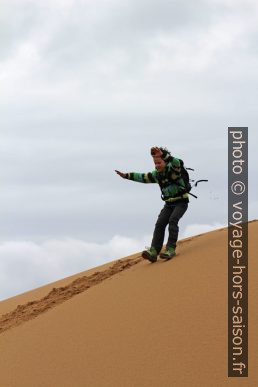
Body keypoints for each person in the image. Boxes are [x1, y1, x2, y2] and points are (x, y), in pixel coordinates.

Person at [115, 146, 189, 263]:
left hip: (181, 202)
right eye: (155, 163)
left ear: (165, 161)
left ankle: (170, 249)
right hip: (168, 204)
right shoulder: (157, 175)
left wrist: (163, 155)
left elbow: (177, 162)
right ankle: (154, 251)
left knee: (173, 221)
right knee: (160, 224)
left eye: (159, 162)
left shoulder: (174, 170)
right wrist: (126, 176)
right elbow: (142, 177)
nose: (157, 165)